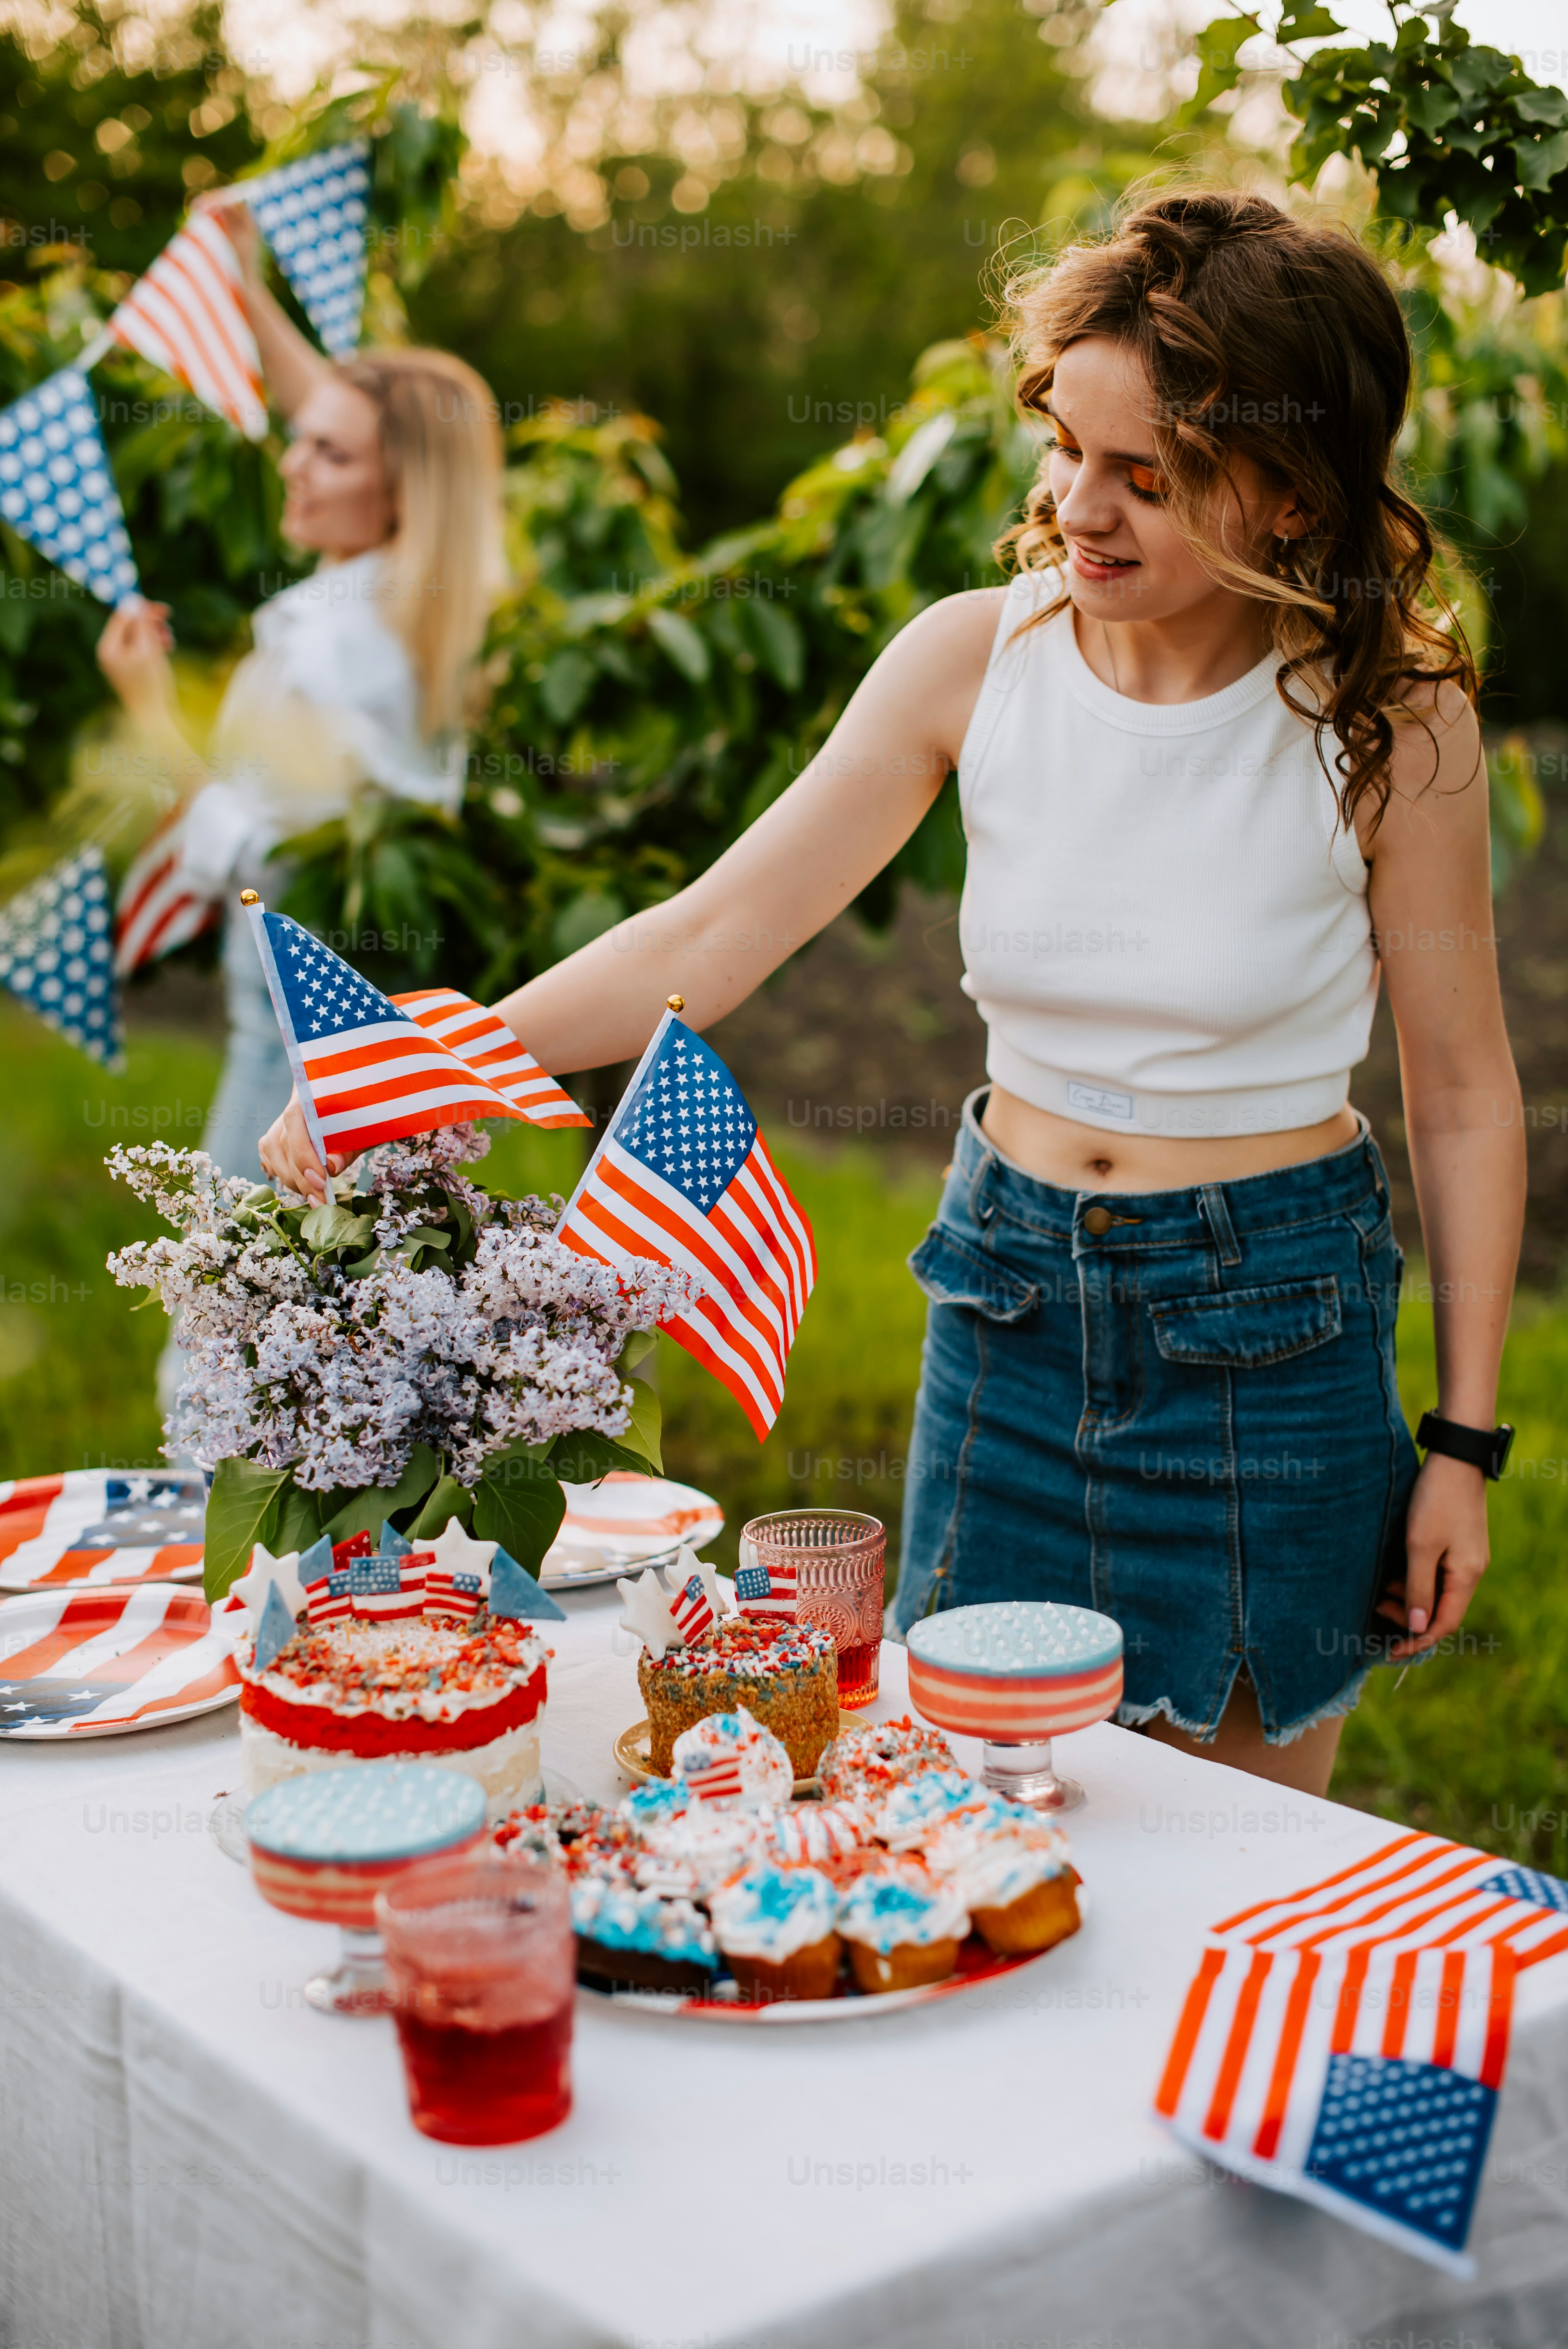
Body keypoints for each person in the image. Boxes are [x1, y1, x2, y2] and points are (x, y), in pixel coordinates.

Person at [261, 190, 1525, 1799]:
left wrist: (1460, 1450)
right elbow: (706, 933)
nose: (1077, 504)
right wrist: (418, 1065)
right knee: (961, 1809)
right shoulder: (969, 661)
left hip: (1266, 1336)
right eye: (1063, 445)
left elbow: (1467, 1090)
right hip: (1006, 1302)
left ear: (1286, 493)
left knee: (1230, 1860)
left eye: (1149, 476)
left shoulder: (1382, 720)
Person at [97, 191, 504, 1185]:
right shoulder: (425, 598)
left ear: (398, 488)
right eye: (302, 437)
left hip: (298, 1010)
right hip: (352, 1004)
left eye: (327, 455)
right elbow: (340, 410)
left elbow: (267, 858)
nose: (292, 461)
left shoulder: (339, 650)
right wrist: (247, 284)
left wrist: (151, 712)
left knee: (233, 1298)